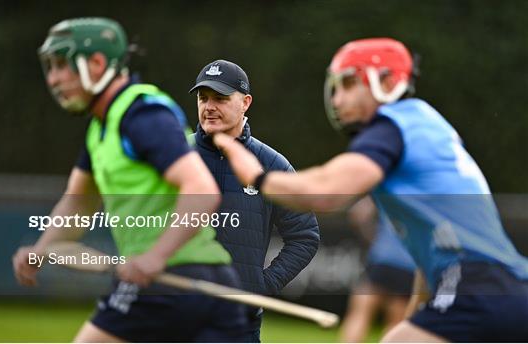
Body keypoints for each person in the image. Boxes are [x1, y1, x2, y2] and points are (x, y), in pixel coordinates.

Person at [213, 38, 528, 342]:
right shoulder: (426, 123)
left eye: (349, 85)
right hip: (510, 288)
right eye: (335, 88)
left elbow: (325, 192)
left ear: (388, 82)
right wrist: (414, 318)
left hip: (474, 285)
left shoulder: (390, 129)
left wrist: (257, 176)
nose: (337, 99)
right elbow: (429, 258)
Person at [12, 17, 248, 342]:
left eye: (62, 66)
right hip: (205, 287)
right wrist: (40, 250)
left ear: (96, 63)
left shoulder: (142, 115)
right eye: (49, 68)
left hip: (172, 280)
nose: (54, 79)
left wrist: (156, 256)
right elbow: (77, 204)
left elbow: (202, 191)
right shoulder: (100, 130)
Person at [188, 59, 320, 342]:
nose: (209, 106)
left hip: (238, 323)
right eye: (203, 98)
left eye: (220, 98)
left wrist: (263, 284)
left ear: (245, 102)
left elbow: (305, 236)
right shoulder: (172, 155)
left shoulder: (273, 165)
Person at [339, 197, 415, 342]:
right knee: (396, 322)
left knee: (360, 314)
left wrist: (373, 238)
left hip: (382, 260)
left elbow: (358, 212)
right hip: (409, 265)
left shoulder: (390, 191)